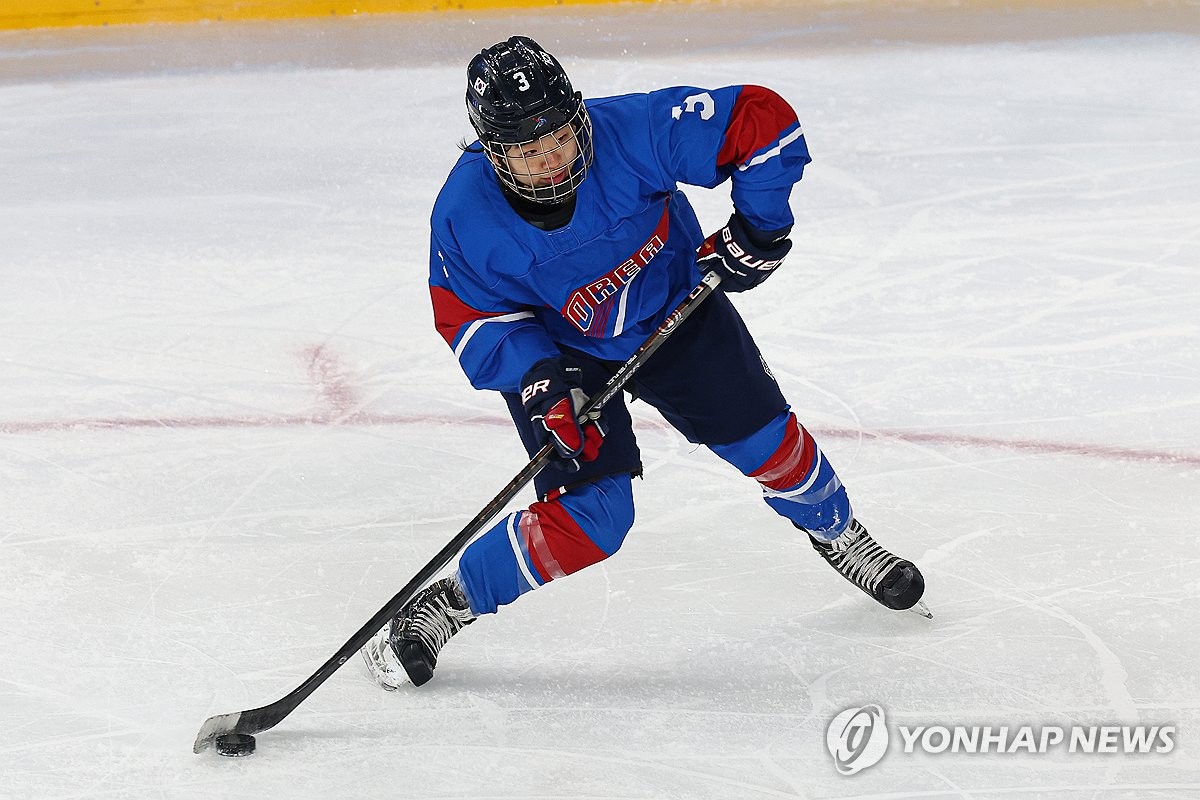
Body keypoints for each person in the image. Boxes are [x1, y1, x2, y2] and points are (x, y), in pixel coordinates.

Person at [362, 36, 928, 690]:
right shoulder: (464, 216)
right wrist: (539, 380)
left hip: (678, 311)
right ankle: (449, 601)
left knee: (775, 448)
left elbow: (763, 122)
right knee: (593, 520)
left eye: (560, 137)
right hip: (566, 355)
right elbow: (472, 318)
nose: (551, 160)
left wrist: (760, 230)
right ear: (493, 154)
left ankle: (837, 531)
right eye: (526, 150)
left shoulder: (634, 130)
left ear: (579, 116)